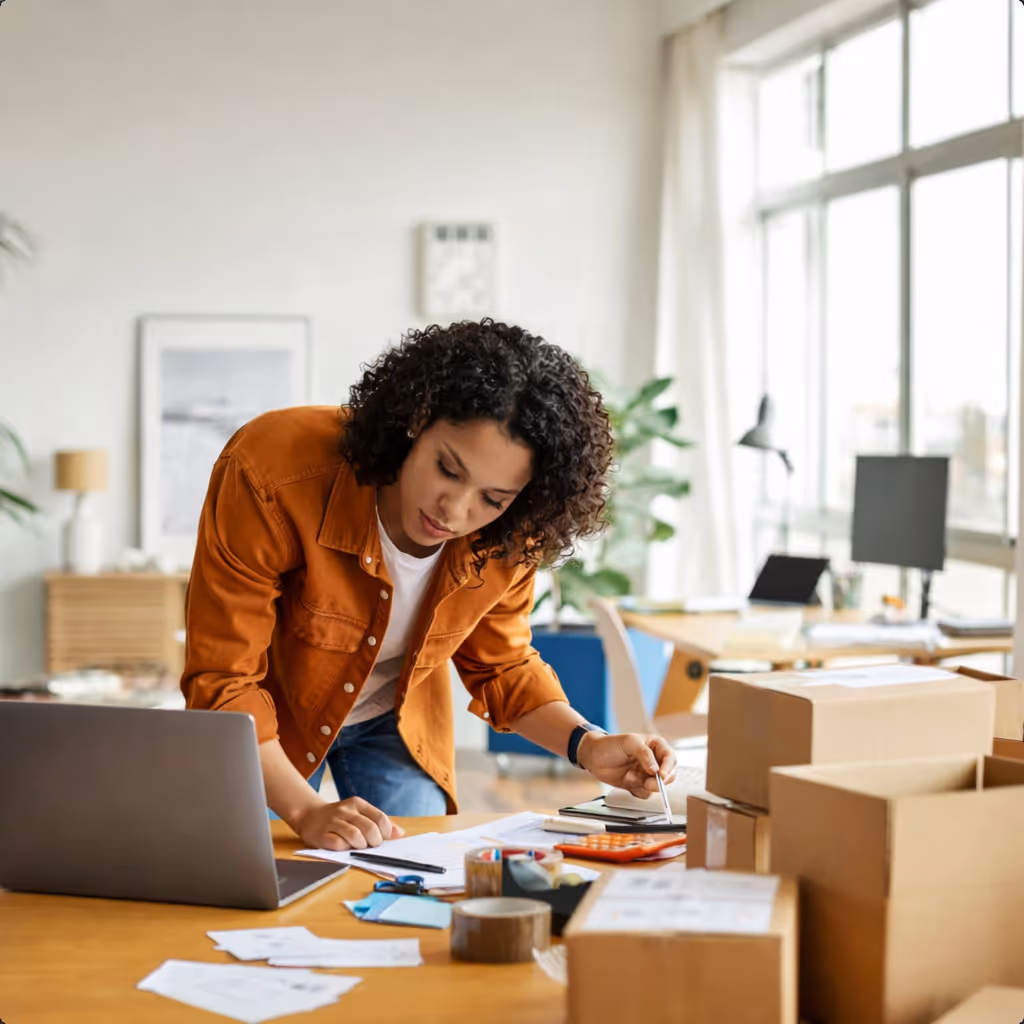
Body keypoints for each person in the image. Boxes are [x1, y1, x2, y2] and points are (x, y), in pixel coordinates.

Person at [181, 319, 677, 852]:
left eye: (493, 498)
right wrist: (305, 809)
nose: (456, 510)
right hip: (266, 726)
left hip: (397, 721)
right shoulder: (272, 470)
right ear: (416, 419)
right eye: (448, 469)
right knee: (239, 873)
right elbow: (224, 684)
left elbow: (503, 666)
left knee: (409, 874)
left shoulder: (512, 532)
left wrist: (590, 744)